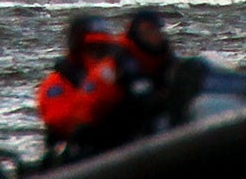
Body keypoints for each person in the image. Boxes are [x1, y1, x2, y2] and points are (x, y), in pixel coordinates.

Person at [36, 10, 175, 162]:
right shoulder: (57, 83)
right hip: (75, 155)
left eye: (104, 48)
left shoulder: (119, 71)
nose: (99, 54)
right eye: (93, 48)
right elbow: (63, 121)